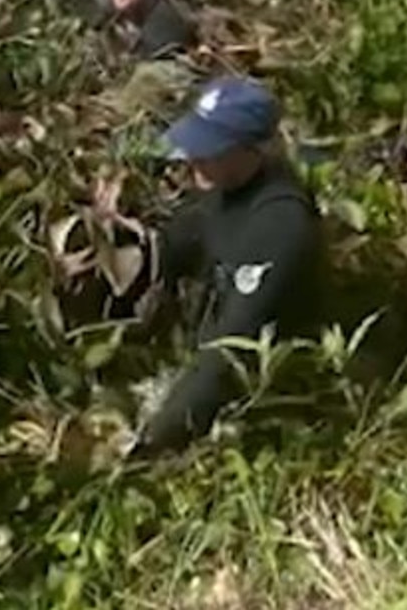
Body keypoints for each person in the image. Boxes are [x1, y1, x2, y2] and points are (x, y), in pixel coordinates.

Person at [127, 75, 326, 457]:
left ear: (252, 150)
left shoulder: (279, 223)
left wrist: (153, 445)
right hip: (202, 364)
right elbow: (169, 247)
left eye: (210, 149)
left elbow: (230, 349)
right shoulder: (219, 190)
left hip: (258, 403)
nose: (193, 158)